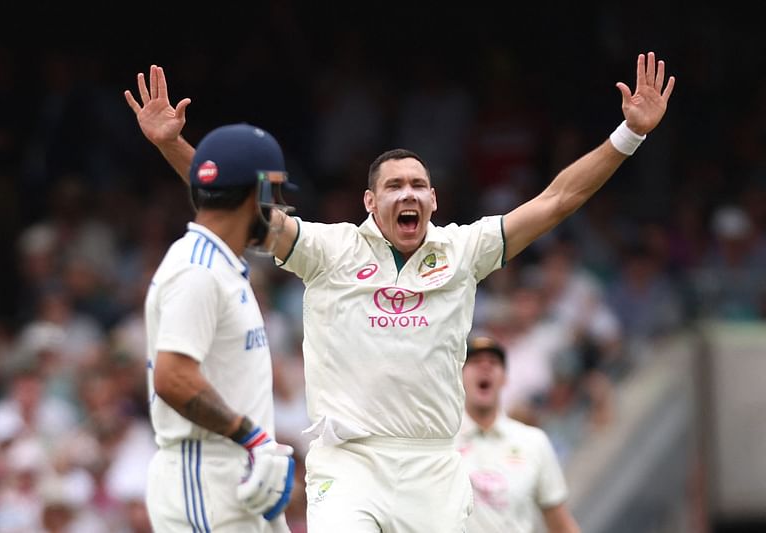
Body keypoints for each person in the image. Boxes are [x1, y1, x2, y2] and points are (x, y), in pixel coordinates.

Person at [125, 52, 675, 533]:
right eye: (393, 186)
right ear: (370, 201)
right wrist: (174, 146)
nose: (407, 194)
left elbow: (556, 200)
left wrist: (629, 136)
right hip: (349, 462)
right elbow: (237, 203)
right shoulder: (328, 249)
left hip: (433, 464)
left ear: (434, 199)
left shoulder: (466, 250)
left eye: (417, 186)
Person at [141, 123, 296, 532]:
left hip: (234, 475)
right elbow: (173, 379)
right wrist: (253, 438)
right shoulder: (198, 270)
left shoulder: (218, 262)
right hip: (204, 477)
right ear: (257, 194)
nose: (278, 206)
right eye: (274, 191)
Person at [458, 334, 581, 533]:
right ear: (459, 376)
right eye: (475, 362)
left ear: (505, 379)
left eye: (494, 362)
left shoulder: (534, 442)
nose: (485, 367)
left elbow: (561, 525)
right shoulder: (441, 444)